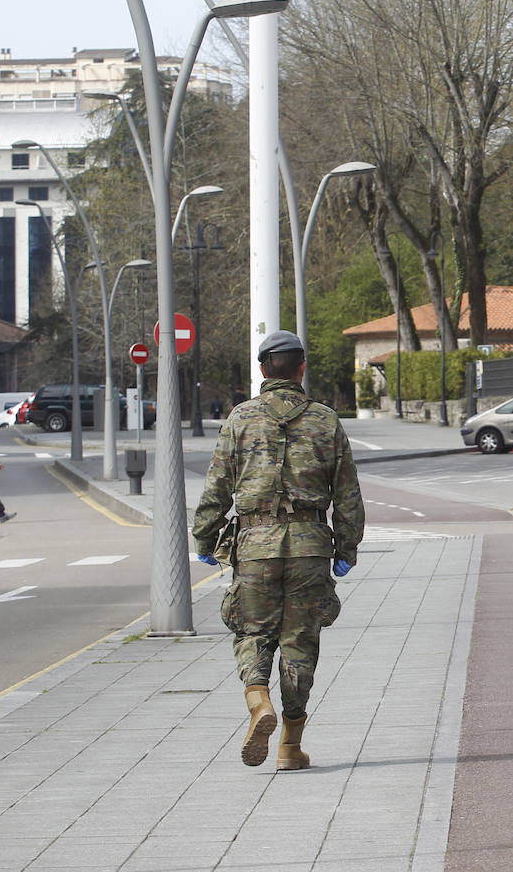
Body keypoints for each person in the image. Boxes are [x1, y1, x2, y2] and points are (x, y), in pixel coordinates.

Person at [193, 330, 365, 770]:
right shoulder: (326, 420)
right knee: (300, 643)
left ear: (263, 369)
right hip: (310, 547)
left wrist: (205, 538)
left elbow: (217, 487)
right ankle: (289, 746)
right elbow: (347, 494)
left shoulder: (240, 418)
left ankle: (258, 701)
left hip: (254, 546)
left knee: (253, 632)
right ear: (301, 369)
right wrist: (347, 547)